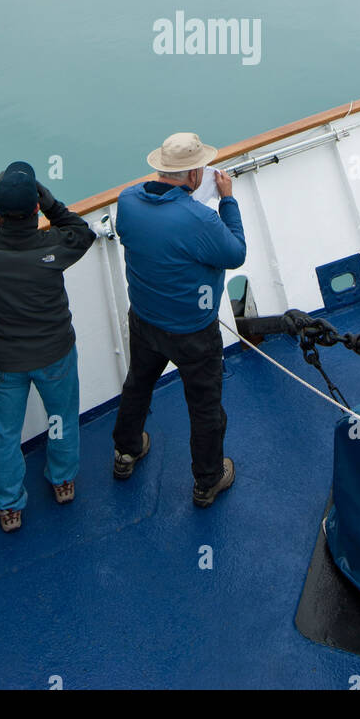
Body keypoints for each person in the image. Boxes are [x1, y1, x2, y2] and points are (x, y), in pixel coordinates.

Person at [0, 162, 95, 532]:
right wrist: (52, 204)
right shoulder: (55, 245)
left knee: (5, 435)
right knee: (61, 419)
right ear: (35, 209)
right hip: (55, 355)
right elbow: (82, 232)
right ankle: (62, 481)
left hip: (2, 362)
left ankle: (9, 505)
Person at [112, 131, 246, 506]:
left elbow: (128, 233)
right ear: (192, 176)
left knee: (138, 384)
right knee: (204, 407)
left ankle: (126, 452)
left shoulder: (127, 200)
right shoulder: (199, 218)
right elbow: (235, 254)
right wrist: (228, 201)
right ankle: (207, 481)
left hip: (144, 319)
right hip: (192, 332)